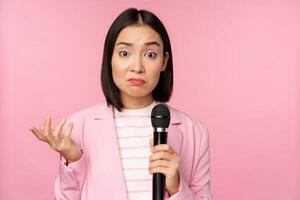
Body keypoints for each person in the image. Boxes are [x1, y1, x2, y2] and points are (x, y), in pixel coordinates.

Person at [30, 7, 212, 200]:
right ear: (110, 58)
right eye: (125, 53)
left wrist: (176, 187)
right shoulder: (77, 128)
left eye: (150, 54)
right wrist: (74, 160)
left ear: (164, 61)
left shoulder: (195, 131)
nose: (137, 67)